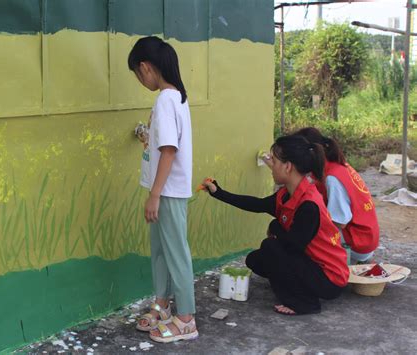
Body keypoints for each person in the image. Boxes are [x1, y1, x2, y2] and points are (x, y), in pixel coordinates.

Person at [202, 135, 349, 315]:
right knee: (256, 260)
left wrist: (275, 227)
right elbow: (257, 204)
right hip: (310, 265)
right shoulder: (287, 194)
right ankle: (299, 289)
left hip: (330, 279)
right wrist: (219, 193)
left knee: (271, 247)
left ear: (288, 167)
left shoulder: (308, 205)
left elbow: (292, 246)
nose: (271, 164)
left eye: (274, 160)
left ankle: (305, 303)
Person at [128, 36, 198, 343]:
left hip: (167, 191)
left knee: (175, 253)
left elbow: (169, 150)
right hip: (164, 189)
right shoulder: (176, 97)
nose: (140, 80)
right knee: (161, 252)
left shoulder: (166, 100)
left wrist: (154, 194)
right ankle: (163, 304)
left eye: (137, 74)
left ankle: (185, 320)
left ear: (145, 68)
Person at [295, 127, 379, 264]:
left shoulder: (332, 178)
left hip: (357, 243)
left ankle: (338, 265)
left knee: (306, 231)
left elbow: (340, 221)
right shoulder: (336, 165)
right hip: (367, 236)